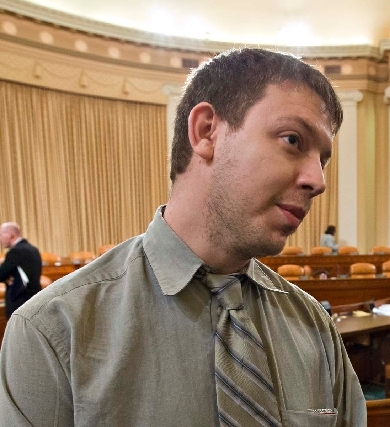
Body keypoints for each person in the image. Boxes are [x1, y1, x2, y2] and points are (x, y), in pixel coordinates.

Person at [0, 48, 366, 426]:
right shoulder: (54, 331)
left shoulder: (314, 326)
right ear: (206, 131)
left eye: (322, 160)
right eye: (293, 140)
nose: (318, 181)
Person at [0, 222, 42, 318]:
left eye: (1, 235)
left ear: (11, 234)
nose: (0, 239)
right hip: (35, 299)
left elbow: (1, 275)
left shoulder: (15, 252)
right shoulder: (33, 249)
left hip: (19, 302)